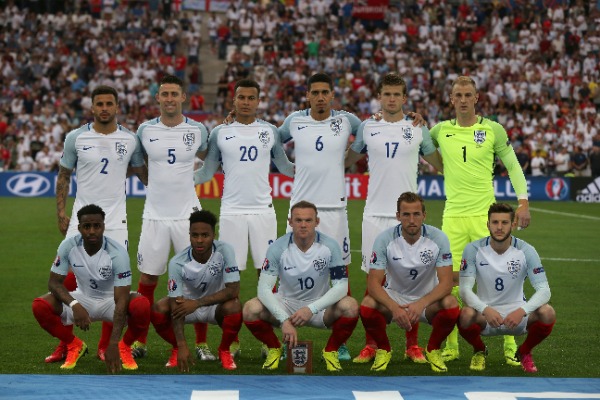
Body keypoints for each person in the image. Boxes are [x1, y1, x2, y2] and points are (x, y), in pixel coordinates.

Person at [429, 76, 531, 364]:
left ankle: (510, 347)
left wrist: (523, 202)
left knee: (501, 278)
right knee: (449, 284)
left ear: (476, 98)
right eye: (457, 95)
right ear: (451, 99)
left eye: (467, 94)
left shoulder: (492, 130)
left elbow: (512, 165)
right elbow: (421, 144)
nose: (462, 99)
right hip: (453, 218)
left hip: (486, 217)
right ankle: (452, 345)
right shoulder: (440, 130)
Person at [345, 73, 444, 364]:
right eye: (386, 94)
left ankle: (412, 345)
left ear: (404, 98)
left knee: (409, 279)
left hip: (408, 217)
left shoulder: (416, 128)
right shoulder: (367, 126)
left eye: (396, 94)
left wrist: (433, 130)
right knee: (372, 281)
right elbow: (347, 160)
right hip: (374, 214)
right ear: (380, 96)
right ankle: (371, 344)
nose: (391, 99)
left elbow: (439, 163)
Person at [52, 85, 147, 364]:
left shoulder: (129, 139)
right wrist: (61, 213)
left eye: (109, 103)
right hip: (81, 220)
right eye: (99, 103)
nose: (104, 108)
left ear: (117, 106)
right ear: (92, 107)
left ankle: (107, 345)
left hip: (115, 222)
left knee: (112, 285)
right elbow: (63, 174)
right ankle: (67, 342)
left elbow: (144, 174)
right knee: (66, 278)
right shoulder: (76, 137)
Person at [277, 72, 362, 361]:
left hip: (335, 209)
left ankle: (340, 341)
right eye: (316, 92)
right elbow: (269, 142)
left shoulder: (347, 121)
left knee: (342, 273)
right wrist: (288, 167)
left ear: (333, 95)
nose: (321, 97)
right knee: (285, 268)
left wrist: (346, 160)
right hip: (300, 209)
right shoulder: (294, 121)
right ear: (308, 95)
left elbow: (371, 134)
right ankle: (284, 329)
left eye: (326, 92)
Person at [134, 75, 212, 361]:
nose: (168, 99)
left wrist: (195, 179)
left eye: (173, 94)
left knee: (196, 279)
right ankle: (140, 341)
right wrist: (151, 184)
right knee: (148, 277)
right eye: (164, 94)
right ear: (157, 98)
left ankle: (201, 344)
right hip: (154, 215)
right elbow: (138, 163)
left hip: (187, 217)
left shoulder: (197, 129)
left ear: (183, 98)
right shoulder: (144, 130)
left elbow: (211, 157)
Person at [32, 204, 151, 373]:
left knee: (142, 306)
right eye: (87, 226)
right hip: (83, 298)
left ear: (103, 227)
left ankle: (124, 347)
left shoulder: (118, 253)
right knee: (40, 305)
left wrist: (114, 343)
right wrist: (74, 305)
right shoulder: (68, 246)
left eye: (97, 226)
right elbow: (54, 283)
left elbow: (122, 298)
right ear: (79, 228)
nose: (92, 231)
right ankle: (74, 344)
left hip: (112, 301)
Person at [242, 201, 359, 371]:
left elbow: (341, 287)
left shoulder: (330, 246)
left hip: (319, 307)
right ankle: (275, 348)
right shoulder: (277, 248)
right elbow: (263, 289)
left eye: (308, 220)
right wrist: (283, 320)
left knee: (351, 306)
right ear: (290, 222)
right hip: (286, 304)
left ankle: (331, 351)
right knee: (250, 309)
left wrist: (310, 309)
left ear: (317, 222)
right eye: (298, 220)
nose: (303, 225)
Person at [194, 79, 294, 277]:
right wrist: (177, 179)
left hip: (263, 211)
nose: (246, 102)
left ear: (258, 102)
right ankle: (234, 309)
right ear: (234, 100)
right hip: (232, 211)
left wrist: (316, 169)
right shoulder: (219, 132)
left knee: (266, 272)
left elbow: (285, 168)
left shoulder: (270, 131)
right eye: (241, 97)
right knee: (231, 274)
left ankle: (267, 309)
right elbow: (207, 172)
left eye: (251, 98)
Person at [358, 192, 458, 372]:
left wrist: (421, 304)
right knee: (367, 305)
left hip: (427, 300)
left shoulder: (438, 238)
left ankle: (433, 349)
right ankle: (384, 349)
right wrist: (394, 307)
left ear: (424, 216)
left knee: (451, 304)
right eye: (406, 214)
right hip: (395, 296)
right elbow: (373, 283)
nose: (411, 220)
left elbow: (446, 283)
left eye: (416, 214)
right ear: (398, 216)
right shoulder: (384, 239)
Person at [458, 203, 556, 373]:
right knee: (465, 315)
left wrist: (522, 310)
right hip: (485, 316)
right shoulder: (473, 249)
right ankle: (479, 350)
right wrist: (485, 309)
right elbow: (465, 290)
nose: (499, 227)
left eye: (504, 223)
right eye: (495, 222)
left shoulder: (526, 250)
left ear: (513, 224)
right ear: (488, 224)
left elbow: (544, 290)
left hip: (517, 316)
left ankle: (525, 351)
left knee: (548, 313)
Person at [150, 210, 242, 371]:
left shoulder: (225, 251)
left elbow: (233, 290)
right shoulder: (177, 263)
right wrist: (182, 344)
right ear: (189, 235)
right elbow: (175, 302)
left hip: (214, 306)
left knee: (234, 306)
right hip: (185, 307)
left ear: (214, 235)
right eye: (195, 235)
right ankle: (176, 349)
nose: (199, 240)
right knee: (159, 309)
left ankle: (224, 350)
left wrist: (198, 303)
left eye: (205, 235)